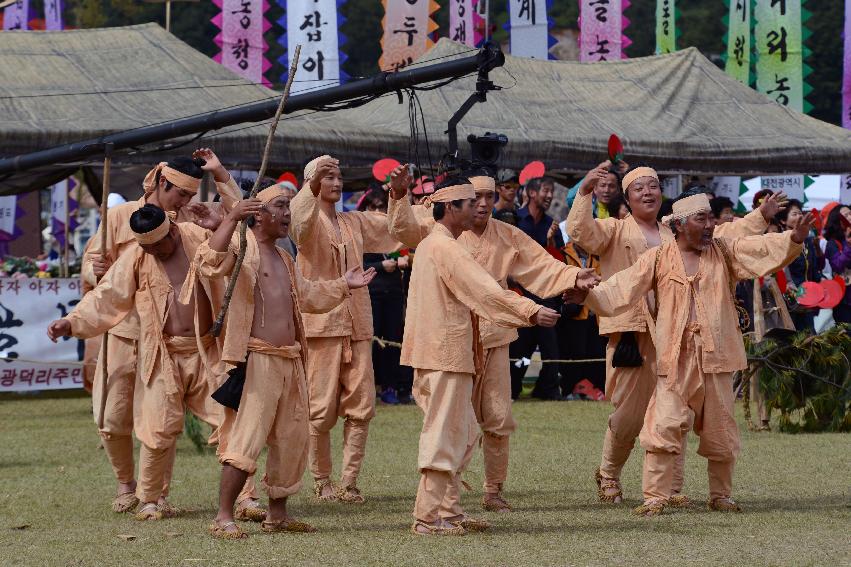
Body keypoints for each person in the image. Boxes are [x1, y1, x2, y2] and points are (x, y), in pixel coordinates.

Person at [570, 193, 811, 516]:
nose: (711, 225)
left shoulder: (724, 252)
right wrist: (588, 296)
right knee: (664, 424)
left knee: (721, 429)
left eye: (711, 218)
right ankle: (656, 496)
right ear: (680, 225)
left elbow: (758, 251)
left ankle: (720, 495)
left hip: (717, 358)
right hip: (674, 357)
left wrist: (793, 239)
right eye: (702, 219)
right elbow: (622, 288)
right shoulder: (657, 258)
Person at [388, 168, 599, 513]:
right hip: (451, 347)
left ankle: (461, 504)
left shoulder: (488, 236)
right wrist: (530, 311)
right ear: (454, 207)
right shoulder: (442, 241)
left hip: (486, 338)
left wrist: (573, 275)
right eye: (474, 200)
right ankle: (434, 513)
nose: (482, 206)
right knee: (452, 426)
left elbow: (541, 266)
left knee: (483, 422)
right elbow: (483, 290)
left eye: (486, 197)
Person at [47, 203, 260, 521]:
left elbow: (241, 254)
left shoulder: (198, 236)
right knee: (156, 429)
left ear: (172, 231)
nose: (153, 252)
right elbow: (108, 294)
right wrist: (72, 321)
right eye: (146, 246)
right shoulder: (137, 255)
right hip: (161, 354)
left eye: (158, 245)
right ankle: (149, 499)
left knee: (231, 422)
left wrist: (221, 224)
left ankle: (245, 498)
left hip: (207, 351)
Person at [195, 187, 376, 539]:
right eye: (280, 206)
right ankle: (222, 516)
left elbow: (307, 296)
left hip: (292, 358)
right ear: (257, 214)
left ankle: (277, 514)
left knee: (292, 438)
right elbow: (207, 261)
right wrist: (231, 218)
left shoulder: (284, 258)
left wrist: (344, 284)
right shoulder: (241, 248)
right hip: (258, 357)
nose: (288, 214)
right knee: (246, 438)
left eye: (289, 208)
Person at [78, 148, 240, 514]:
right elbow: (90, 268)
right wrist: (95, 270)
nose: (183, 202)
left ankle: (156, 495)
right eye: (179, 193)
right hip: (125, 333)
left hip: (181, 342)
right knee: (112, 417)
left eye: (188, 195)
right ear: (161, 182)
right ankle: (125, 484)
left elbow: (227, 247)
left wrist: (219, 189)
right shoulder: (120, 217)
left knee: (163, 421)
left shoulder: (191, 223)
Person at [289, 155, 419, 504]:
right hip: (322, 327)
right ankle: (321, 480)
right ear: (312, 182)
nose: (336, 182)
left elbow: (395, 229)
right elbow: (297, 225)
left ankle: (349, 482)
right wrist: (309, 182)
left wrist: (398, 195)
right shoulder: (306, 223)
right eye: (327, 177)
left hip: (359, 325)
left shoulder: (354, 222)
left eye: (338, 176)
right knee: (319, 410)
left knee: (362, 407)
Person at [510, 176, 565, 399]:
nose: (549, 195)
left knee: (551, 347)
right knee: (520, 347)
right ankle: (511, 389)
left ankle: (549, 391)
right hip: (520, 293)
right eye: (545, 190)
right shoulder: (515, 220)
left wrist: (551, 242)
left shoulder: (552, 225)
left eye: (551, 191)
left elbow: (559, 260)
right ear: (532, 193)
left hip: (545, 294)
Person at [359, 185, 412, 405]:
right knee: (371, 342)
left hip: (394, 292)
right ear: (367, 207)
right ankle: (369, 387)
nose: (378, 211)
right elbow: (359, 265)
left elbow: (406, 253)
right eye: (374, 206)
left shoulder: (394, 231)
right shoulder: (361, 232)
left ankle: (391, 386)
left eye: (382, 207)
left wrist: (404, 261)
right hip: (371, 292)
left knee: (393, 341)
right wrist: (382, 265)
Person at [777, 199, 824, 332]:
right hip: (790, 300)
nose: (799, 216)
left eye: (800, 213)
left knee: (809, 338)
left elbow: (815, 270)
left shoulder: (808, 241)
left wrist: (820, 289)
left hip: (808, 298)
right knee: (792, 340)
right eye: (794, 214)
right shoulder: (780, 241)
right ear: (783, 221)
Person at [823, 204, 851, 324]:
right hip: (844, 300)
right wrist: (849, 245)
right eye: (846, 215)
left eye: (850, 214)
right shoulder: (832, 244)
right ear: (838, 221)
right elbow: (837, 265)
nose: (850, 217)